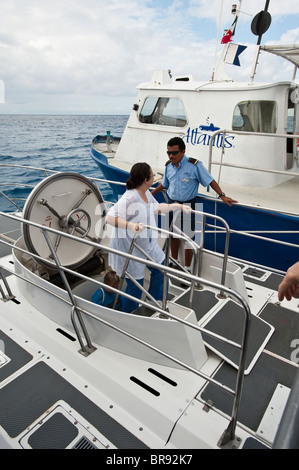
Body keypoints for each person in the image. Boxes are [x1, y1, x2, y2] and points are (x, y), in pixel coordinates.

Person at [105, 162, 190, 313]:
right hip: (132, 248)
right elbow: (109, 218)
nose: (154, 178)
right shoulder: (130, 197)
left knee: (162, 269)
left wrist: (178, 206)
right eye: (152, 175)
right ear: (146, 180)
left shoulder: (146, 193)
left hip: (148, 244)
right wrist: (132, 226)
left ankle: (153, 302)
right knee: (135, 287)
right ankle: (129, 314)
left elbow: (157, 208)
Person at [151, 136, 237, 271]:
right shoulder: (169, 166)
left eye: (174, 153)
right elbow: (164, 184)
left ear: (183, 151)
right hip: (172, 204)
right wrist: (150, 194)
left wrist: (222, 196)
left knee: (188, 238)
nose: (171, 156)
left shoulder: (195, 165)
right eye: (168, 153)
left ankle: (187, 268)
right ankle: (174, 262)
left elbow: (210, 180)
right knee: (172, 235)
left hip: (188, 205)